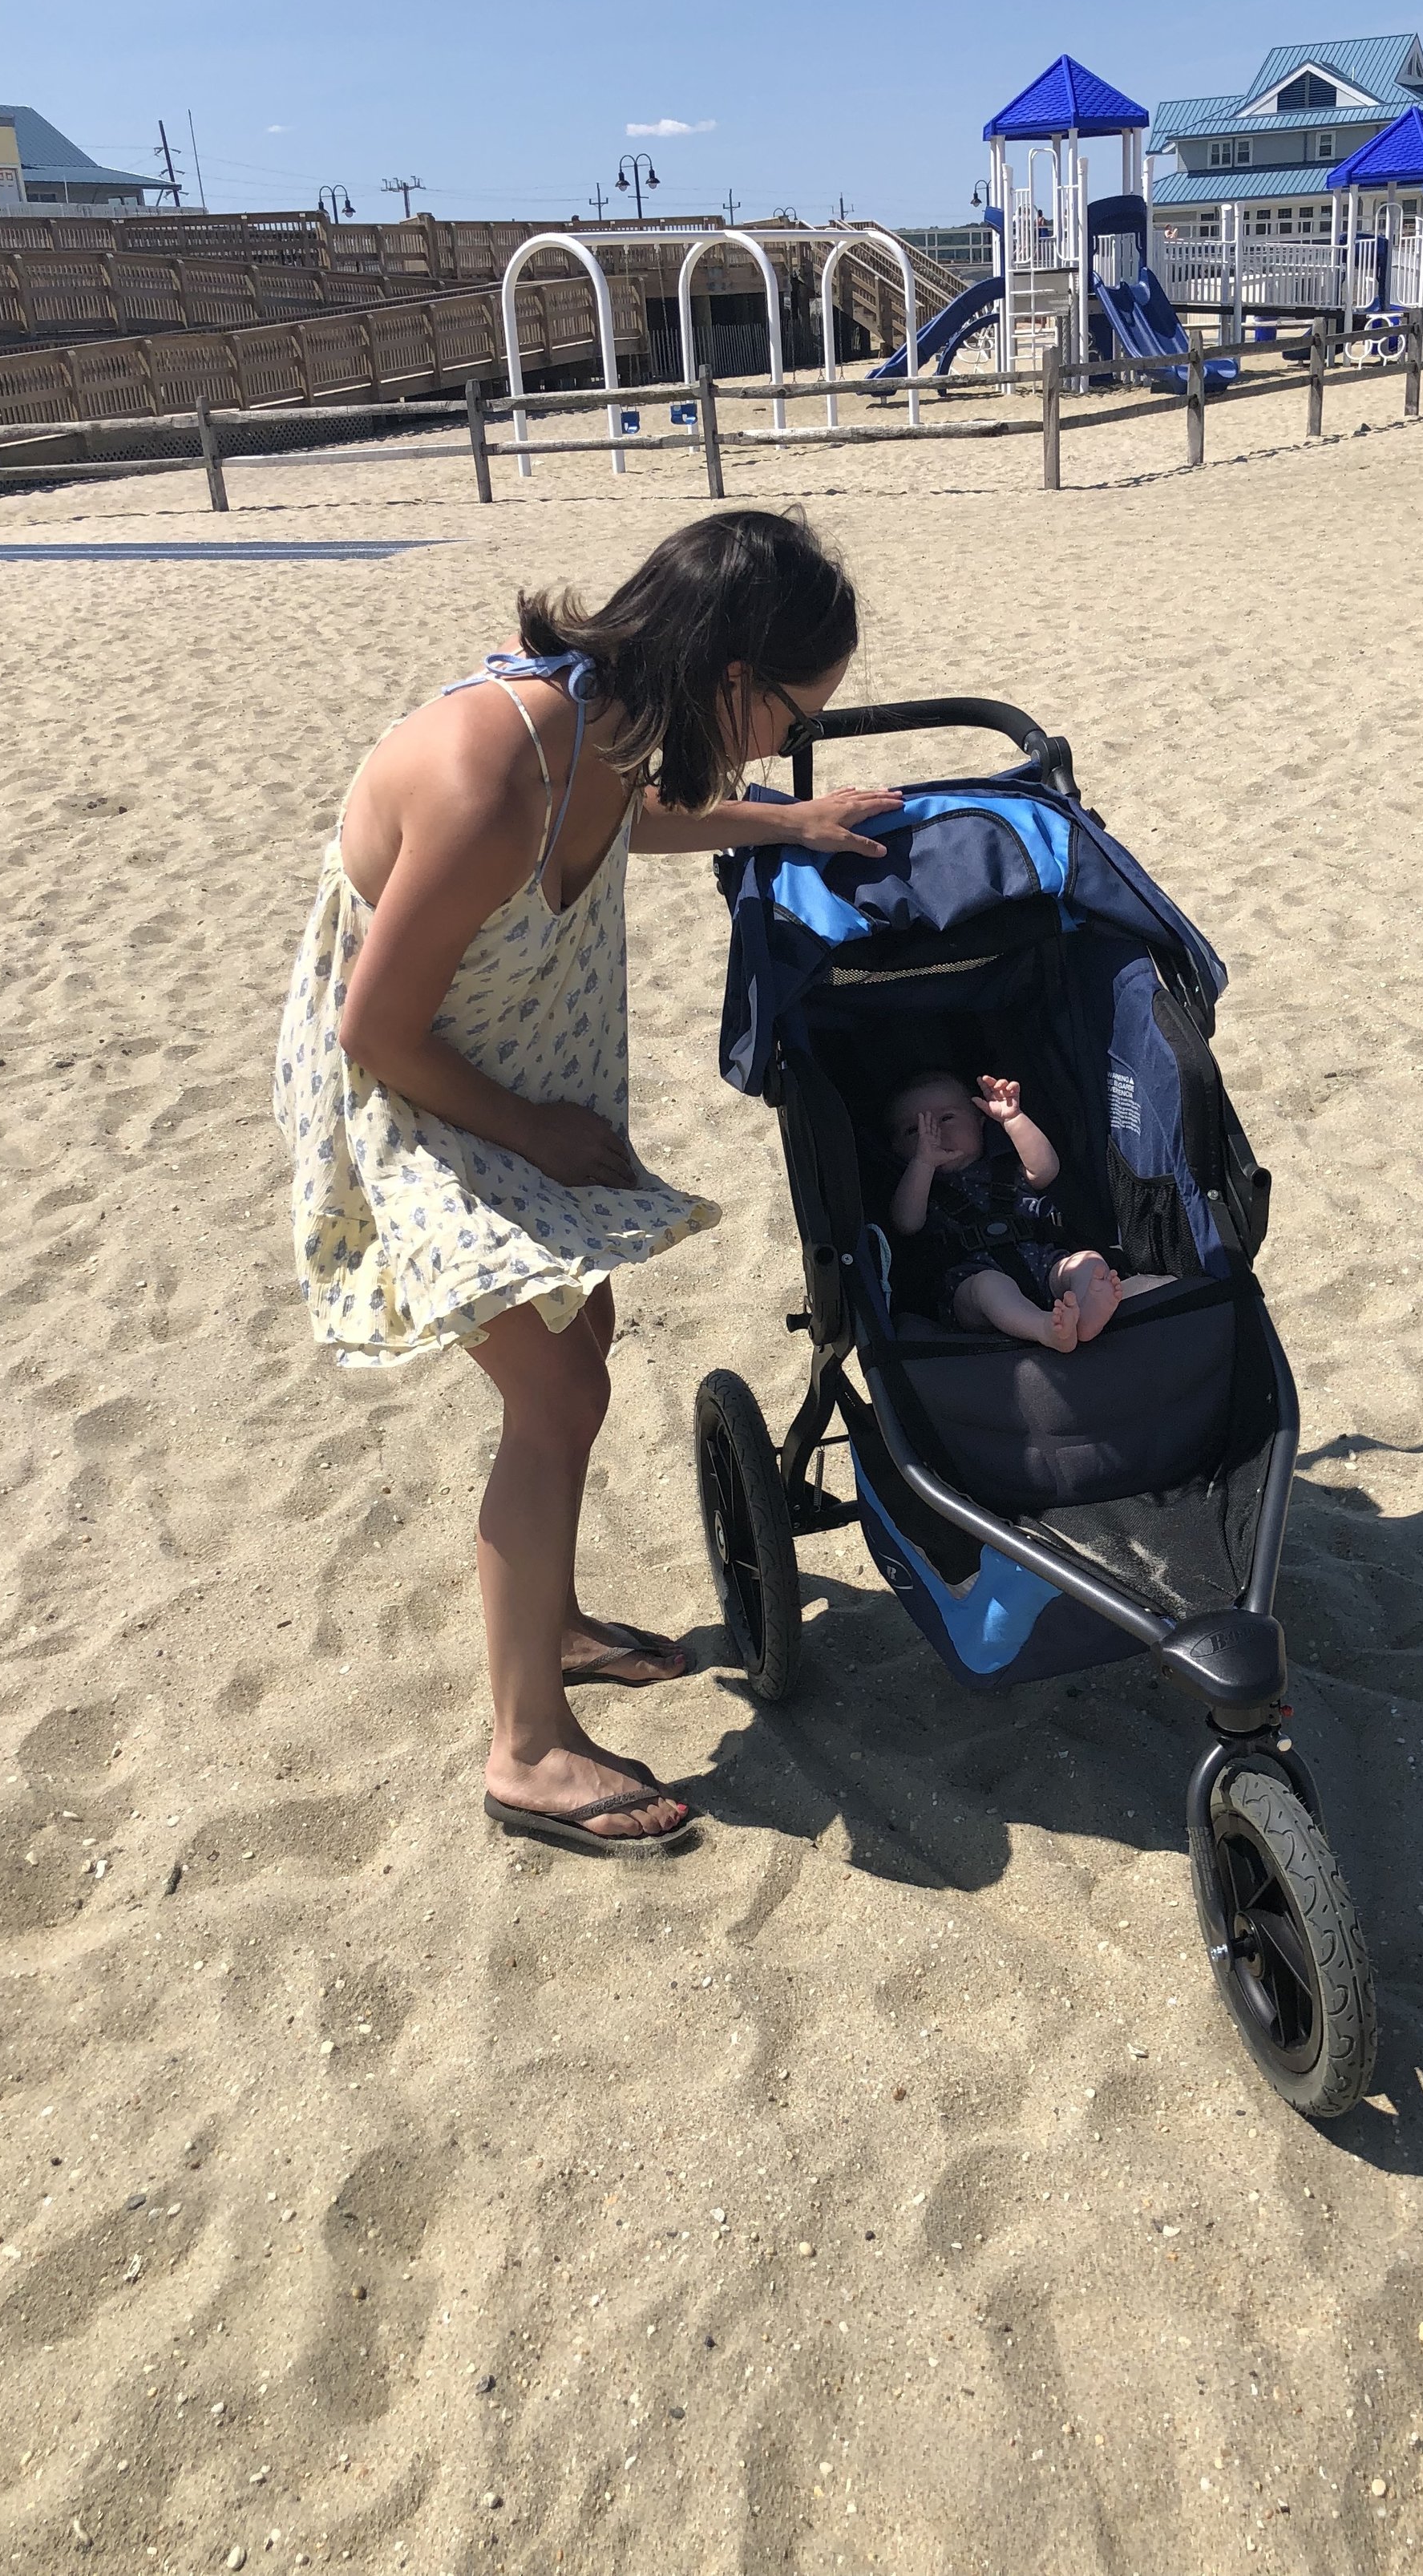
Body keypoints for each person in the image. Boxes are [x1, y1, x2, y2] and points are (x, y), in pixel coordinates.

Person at [274, 511, 895, 1855]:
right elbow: (373, 1035)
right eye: (791, 716)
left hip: (504, 1062)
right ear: (732, 675)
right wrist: (542, 1136)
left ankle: (548, 1625)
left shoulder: (616, 723)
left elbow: (644, 819)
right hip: (419, 1087)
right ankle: (528, 1747)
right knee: (555, 1391)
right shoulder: (490, 773)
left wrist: (793, 820)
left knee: (585, 1340)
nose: (787, 739)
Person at [886, 1070, 1167, 1353]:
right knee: (988, 1287)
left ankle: (1086, 1313)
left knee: (1087, 1262)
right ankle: (1044, 1328)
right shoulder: (921, 1189)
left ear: (979, 1121)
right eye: (914, 1130)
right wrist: (923, 1163)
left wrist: (1013, 1119)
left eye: (947, 1118)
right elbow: (907, 1223)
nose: (932, 1135)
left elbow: (1046, 1168)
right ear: (897, 1149)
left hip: (1043, 1264)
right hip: (972, 1282)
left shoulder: (1009, 1168)